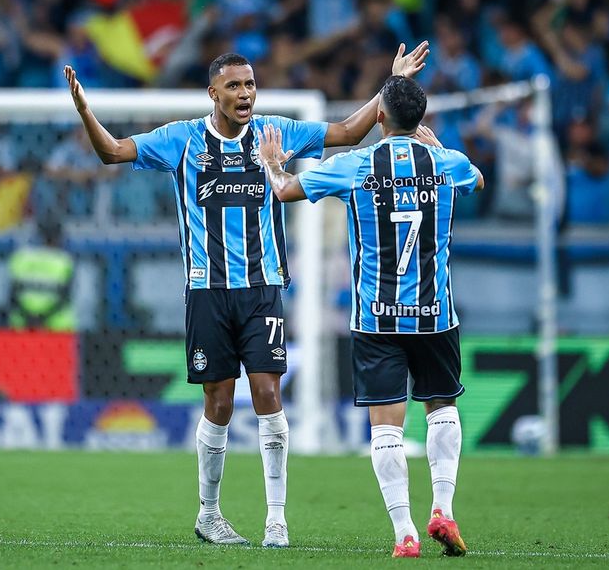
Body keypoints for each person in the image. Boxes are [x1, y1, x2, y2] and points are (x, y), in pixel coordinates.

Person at [64, 43, 429, 548]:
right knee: (218, 401)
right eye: (234, 86)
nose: (245, 94)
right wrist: (86, 110)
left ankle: (276, 519)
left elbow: (346, 133)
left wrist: (388, 88)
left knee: (268, 394)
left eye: (251, 84)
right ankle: (209, 513)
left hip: (262, 288)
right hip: (207, 290)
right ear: (213, 93)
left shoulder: (275, 133)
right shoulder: (182, 140)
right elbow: (112, 151)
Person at [258, 76, 484, 559]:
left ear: (379, 116)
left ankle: (404, 532)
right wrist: (438, 146)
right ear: (420, 119)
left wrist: (273, 163)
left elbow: (284, 190)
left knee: (386, 428)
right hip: (434, 313)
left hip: (376, 317)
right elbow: (478, 180)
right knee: (442, 408)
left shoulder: (354, 164)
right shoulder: (448, 163)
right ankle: (442, 507)